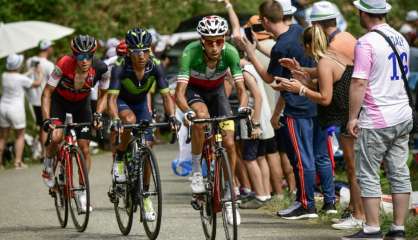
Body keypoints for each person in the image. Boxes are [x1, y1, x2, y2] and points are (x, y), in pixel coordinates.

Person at [241, 0, 336, 220]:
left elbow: (271, 79)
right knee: (321, 156)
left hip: (298, 108)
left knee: (303, 160)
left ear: (265, 21)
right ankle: (329, 202)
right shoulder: (301, 31)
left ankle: (306, 205)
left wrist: (251, 53)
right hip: (319, 104)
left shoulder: (281, 46)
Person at [280, 0, 364, 229]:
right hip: (351, 111)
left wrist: (300, 88)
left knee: (353, 166)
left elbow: (326, 90)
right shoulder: (344, 40)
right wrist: (302, 71)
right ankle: (355, 210)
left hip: (350, 113)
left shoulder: (331, 52)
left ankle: (359, 214)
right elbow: (330, 72)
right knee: (352, 165)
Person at [343, 0, 413, 239]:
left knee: (368, 173)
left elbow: (359, 81)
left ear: (364, 13)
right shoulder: (400, 38)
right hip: (402, 114)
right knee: (399, 171)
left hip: (377, 117)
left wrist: (353, 117)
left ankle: (372, 228)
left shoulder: (366, 42)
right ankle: (398, 228)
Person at [175, 15, 249, 225]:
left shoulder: (231, 53)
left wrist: (243, 107)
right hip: (194, 91)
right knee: (201, 118)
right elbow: (179, 93)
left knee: (229, 141)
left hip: (217, 92)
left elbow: (241, 89)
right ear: (202, 41)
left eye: (219, 40)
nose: (215, 46)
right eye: (209, 42)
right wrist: (186, 111)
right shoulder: (190, 52)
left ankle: (230, 195)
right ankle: (197, 171)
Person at [107, 27, 178, 221]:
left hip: (140, 105)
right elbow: (111, 100)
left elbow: (166, 96)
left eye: (145, 50)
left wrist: (171, 117)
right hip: (122, 102)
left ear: (150, 50)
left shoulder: (155, 65)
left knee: (147, 147)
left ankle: (146, 195)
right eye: (136, 51)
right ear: (129, 51)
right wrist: (114, 119)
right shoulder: (120, 67)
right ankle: (120, 157)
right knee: (129, 121)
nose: (141, 55)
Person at [41, 35, 109, 212]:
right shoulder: (63, 64)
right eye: (80, 56)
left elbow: (104, 95)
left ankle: (82, 192)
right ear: (74, 55)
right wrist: (47, 120)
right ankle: (48, 164)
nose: (84, 60)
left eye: (88, 56)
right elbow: (47, 93)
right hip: (59, 103)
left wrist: (99, 114)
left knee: (85, 147)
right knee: (56, 137)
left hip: (82, 105)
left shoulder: (101, 68)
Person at [0, 54, 43, 170]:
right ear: (18, 65)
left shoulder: (4, 75)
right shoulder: (21, 79)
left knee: (3, 137)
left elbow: (18, 78)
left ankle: (0, 164)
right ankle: (17, 162)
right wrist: (39, 73)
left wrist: (30, 71)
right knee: (20, 135)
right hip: (15, 109)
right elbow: (37, 83)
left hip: (3, 108)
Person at [25, 40, 55, 161]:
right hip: (43, 99)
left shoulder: (29, 61)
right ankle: (44, 153)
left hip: (31, 98)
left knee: (40, 126)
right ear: (48, 48)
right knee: (45, 126)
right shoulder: (49, 65)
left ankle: (41, 151)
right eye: (51, 47)